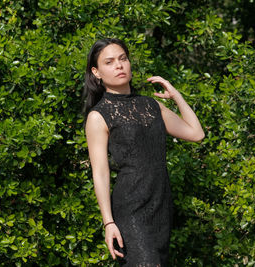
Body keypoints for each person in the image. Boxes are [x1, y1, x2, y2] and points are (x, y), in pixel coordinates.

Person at [82, 38, 205, 266]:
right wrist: (108, 223)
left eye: (123, 59)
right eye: (109, 62)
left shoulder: (151, 105)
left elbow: (196, 134)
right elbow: (100, 173)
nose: (119, 65)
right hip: (130, 207)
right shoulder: (98, 116)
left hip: (160, 204)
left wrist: (176, 95)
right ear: (96, 72)